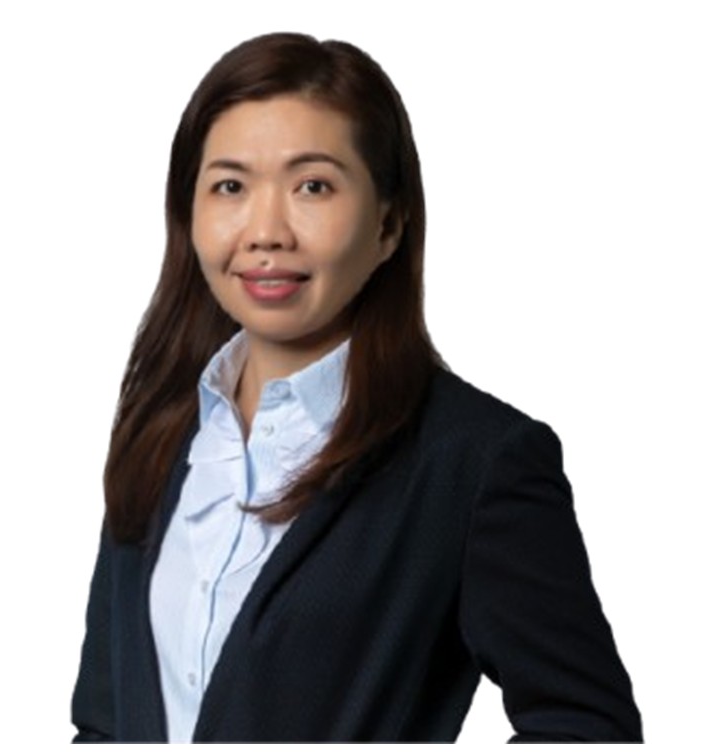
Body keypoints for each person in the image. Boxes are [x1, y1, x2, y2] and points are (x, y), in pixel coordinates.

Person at [71, 32, 642, 743]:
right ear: (190, 215)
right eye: (230, 186)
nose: (266, 232)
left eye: (313, 186)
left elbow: (587, 727)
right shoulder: (160, 429)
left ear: (388, 224)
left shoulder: (475, 462)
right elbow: (102, 726)